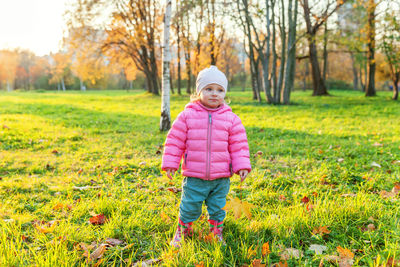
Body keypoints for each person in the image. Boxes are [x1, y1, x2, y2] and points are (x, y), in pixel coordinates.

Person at [161, 65, 251, 248]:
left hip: (221, 178)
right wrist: (171, 163)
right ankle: (183, 230)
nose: (214, 94)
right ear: (199, 91)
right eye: (209, 89)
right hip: (194, 176)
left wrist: (241, 166)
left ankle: (216, 232)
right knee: (189, 206)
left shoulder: (231, 119)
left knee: (218, 208)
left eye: (219, 90)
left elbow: (239, 145)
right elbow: (175, 140)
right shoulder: (187, 116)